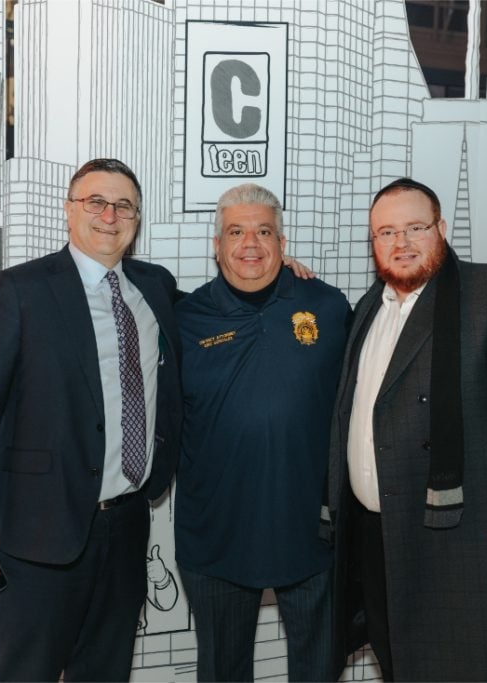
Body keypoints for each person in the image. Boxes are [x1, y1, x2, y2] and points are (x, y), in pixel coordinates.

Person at [0, 158, 182, 681]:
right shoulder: (18, 290)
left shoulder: (156, 287)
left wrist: (277, 269)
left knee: (106, 672)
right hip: (32, 536)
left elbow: (220, 308)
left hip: (126, 529)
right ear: (69, 211)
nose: (109, 216)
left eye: (124, 206)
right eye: (96, 202)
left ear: (137, 219)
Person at [325, 177, 487, 681]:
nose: (401, 242)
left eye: (415, 227)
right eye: (386, 232)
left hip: (468, 533)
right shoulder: (367, 308)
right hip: (377, 536)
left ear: (442, 228)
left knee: (479, 668)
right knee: (401, 666)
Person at [174, 183, 351, 681]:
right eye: (236, 232)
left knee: (320, 671)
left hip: (313, 533)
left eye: (264, 232)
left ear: (282, 242)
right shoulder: (183, 317)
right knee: (222, 672)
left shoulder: (328, 306)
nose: (250, 244)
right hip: (216, 536)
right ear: (216, 246)